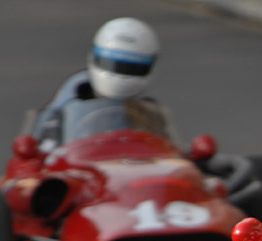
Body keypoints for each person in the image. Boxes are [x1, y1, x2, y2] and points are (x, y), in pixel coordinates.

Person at [30, 17, 171, 151]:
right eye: (113, 64)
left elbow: (166, 151)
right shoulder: (68, 99)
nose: (121, 75)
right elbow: (42, 150)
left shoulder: (150, 111)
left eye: (132, 68)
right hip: (82, 166)